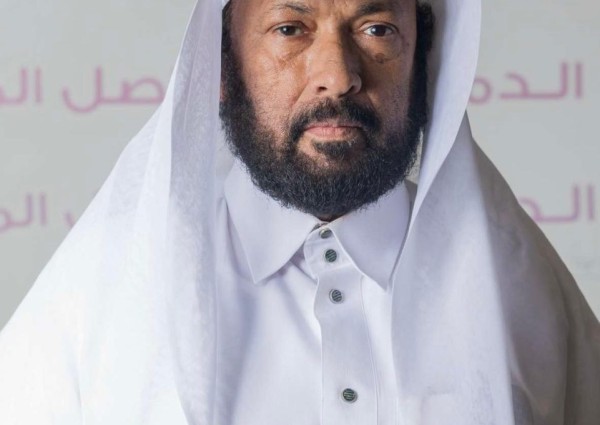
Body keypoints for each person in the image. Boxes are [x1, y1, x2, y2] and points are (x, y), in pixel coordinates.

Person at [0, 0, 599, 424]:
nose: (337, 76)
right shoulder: (100, 294)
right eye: (290, 28)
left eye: (376, 29)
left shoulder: (520, 290)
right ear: (222, 67)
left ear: (424, 64)